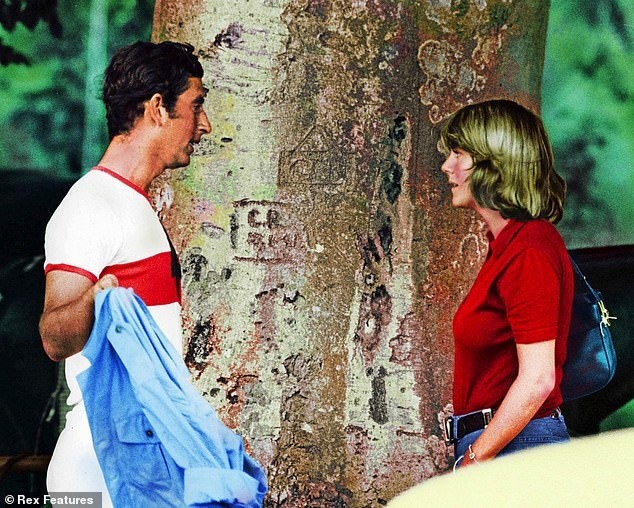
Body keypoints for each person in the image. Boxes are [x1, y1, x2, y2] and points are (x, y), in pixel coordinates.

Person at [39, 41, 211, 504]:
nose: (204, 126)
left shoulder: (132, 202)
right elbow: (54, 337)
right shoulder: (91, 204)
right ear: (158, 107)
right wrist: (96, 298)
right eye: (196, 106)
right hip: (101, 468)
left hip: (139, 465)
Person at [438, 99, 573, 468]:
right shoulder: (508, 245)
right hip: (505, 444)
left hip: (518, 447)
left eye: (459, 154)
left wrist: (475, 458)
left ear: (495, 163)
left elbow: (538, 379)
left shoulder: (529, 248)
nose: (447, 166)